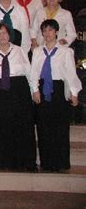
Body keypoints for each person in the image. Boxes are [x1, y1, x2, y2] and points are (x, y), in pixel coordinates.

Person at [0, 23, 36, 171]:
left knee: (23, 127)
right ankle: (4, 162)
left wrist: (34, 91)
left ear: (9, 35)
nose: (2, 36)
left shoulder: (19, 51)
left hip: (20, 92)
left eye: (4, 33)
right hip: (1, 94)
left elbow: (29, 73)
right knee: (2, 128)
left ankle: (26, 162)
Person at [31, 19, 81, 172]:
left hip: (58, 90)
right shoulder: (38, 51)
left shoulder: (66, 51)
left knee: (60, 127)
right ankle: (46, 161)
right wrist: (35, 89)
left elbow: (71, 73)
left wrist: (74, 92)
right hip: (42, 89)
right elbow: (34, 72)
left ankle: (60, 162)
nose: (47, 34)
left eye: (50, 30)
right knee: (44, 127)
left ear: (57, 32)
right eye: (44, 31)